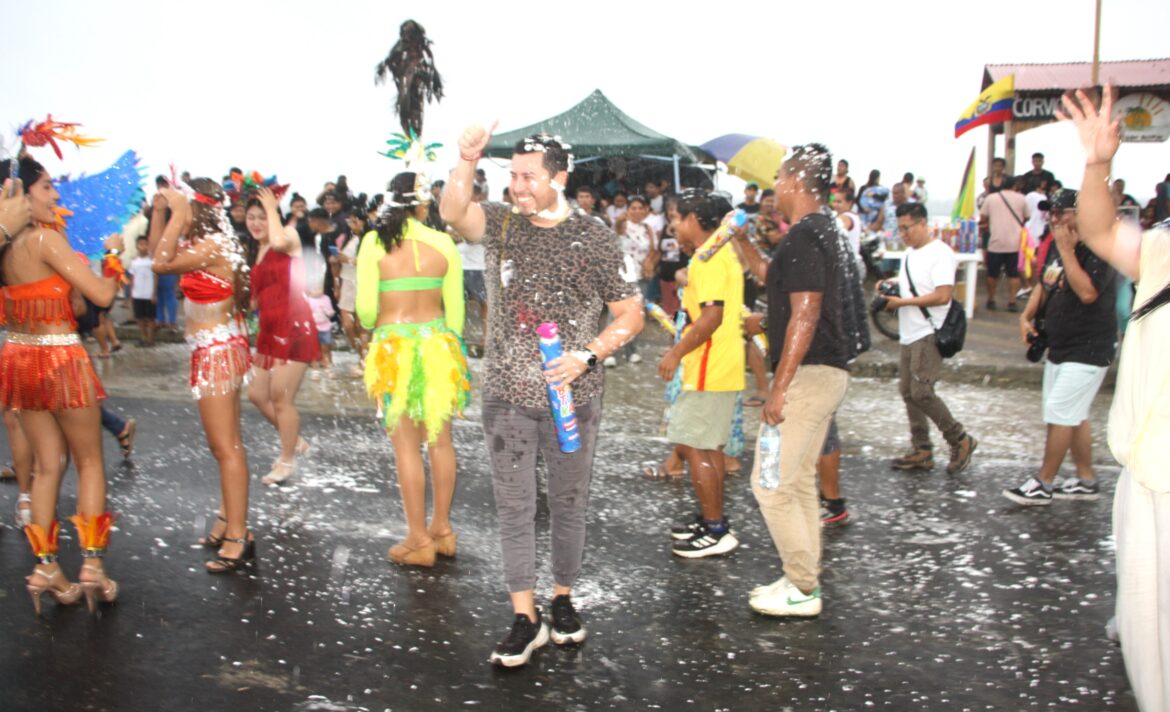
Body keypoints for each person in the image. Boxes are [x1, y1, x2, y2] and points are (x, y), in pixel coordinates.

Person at [441, 127, 644, 667]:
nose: (518, 187)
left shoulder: (594, 237)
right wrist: (466, 160)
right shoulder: (503, 224)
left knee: (568, 502)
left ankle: (562, 597)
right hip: (507, 395)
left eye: (529, 177)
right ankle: (524, 616)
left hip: (573, 399)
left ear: (559, 177)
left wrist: (587, 356)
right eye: (512, 175)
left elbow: (631, 313)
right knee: (514, 507)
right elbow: (453, 210)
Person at [1060, 85, 1170, 712]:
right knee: (1148, 640)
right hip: (1146, 475)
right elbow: (1100, 229)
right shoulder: (1163, 250)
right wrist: (1097, 163)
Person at [732, 144, 857, 618]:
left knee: (770, 484)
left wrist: (777, 387)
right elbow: (775, 281)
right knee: (799, 481)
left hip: (806, 376)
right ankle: (802, 579)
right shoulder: (820, 231)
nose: (774, 188)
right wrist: (742, 241)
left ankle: (803, 588)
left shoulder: (807, 236)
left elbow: (805, 314)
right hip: (825, 373)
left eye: (779, 178)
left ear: (795, 182)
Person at [0, 156, 119, 613]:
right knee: (89, 462)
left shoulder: (8, 251)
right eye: (48, 187)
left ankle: (46, 566)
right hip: (60, 359)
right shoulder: (46, 239)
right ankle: (92, 565)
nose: (56, 196)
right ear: (21, 194)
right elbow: (102, 297)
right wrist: (112, 255)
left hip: (19, 360)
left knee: (47, 467)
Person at [358, 171, 469, 569]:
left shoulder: (374, 243)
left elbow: (367, 313)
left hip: (395, 352)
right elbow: (456, 316)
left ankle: (418, 539)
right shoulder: (444, 243)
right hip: (439, 346)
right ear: (423, 206)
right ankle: (442, 529)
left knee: (406, 447)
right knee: (440, 442)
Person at [150, 182, 255, 573]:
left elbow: (160, 264)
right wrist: (162, 212)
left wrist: (176, 213)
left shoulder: (212, 245)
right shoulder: (210, 242)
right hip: (213, 350)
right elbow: (156, 250)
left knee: (226, 447)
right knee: (226, 446)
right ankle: (230, 519)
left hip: (217, 353)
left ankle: (238, 534)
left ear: (198, 209)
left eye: (183, 206)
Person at [1005, 189, 1117, 506]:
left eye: (1060, 212)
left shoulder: (1099, 248)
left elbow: (1088, 293)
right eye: (1050, 213)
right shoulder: (1057, 244)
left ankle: (1044, 482)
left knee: (1060, 413)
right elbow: (1046, 282)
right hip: (1060, 345)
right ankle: (1086, 478)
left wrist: (1067, 251)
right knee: (1073, 414)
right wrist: (1026, 317)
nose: (1053, 219)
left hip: (1089, 347)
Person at [656, 190, 743, 558]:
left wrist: (676, 352)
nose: (674, 224)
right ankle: (712, 519)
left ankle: (715, 529)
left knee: (697, 449)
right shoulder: (719, 255)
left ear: (695, 220)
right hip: (720, 365)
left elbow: (711, 317)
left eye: (678, 217)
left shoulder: (708, 260)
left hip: (708, 368)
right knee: (709, 448)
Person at [881, 202, 978, 475]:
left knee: (922, 392)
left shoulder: (941, 253)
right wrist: (890, 288)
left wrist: (901, 303)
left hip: (928, 333)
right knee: (907, 392)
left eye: (907, 228)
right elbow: (914, 286)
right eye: (900, 228)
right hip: (908, 333)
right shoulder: (910, 254)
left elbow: (943, 295)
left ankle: (959, 439)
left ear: (924, 224)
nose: (903, 234)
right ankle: (922, 449)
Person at [246, 190, 319, 486]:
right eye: (251, 217)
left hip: (294, 326)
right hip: (268, 328)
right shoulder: (259, 249)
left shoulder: (287, 235)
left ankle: (287, 460)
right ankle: (295, 439)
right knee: (256, 395)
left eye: (262, 216)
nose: (256, 223)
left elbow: (278, 240)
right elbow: (255, 297)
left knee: (280, 397)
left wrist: (271, 208)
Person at [610, 195, 656, 365]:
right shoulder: (622, 225)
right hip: (621, 275)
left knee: (636, 314)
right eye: (633, 208)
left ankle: (632, 351)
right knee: (617, 314)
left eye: (640, 208)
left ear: (645, 211)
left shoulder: (647, 228)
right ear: (628, 210)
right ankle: (611, 353)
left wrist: (650, 263)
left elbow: (653, 249)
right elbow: (617, 230)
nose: (637, 211)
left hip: (640, 277)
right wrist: (620, 221)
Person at [979, 176, 1030, 311]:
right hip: (1014, 242)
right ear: (1014, 186)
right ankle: (1012, 302)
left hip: (995, 242)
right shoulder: (1021, 198)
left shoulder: (991, 198)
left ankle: (991, 300)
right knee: (1013, 274)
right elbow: (1026, 217)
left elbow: (983, 217)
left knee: (992, 274)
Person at [335, 211, 368, 374]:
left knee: (360, 325)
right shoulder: (348, 237)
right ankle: (360, 353)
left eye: (355, 222)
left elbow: (371, 261)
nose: (352, 225)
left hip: (362, 283)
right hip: (347, 282)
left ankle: (364, 358)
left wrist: (348, 260)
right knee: (347, 324)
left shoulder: (370, 239)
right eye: (351, 221)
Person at [128, 235, 157, 346]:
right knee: (139, 318)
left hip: (149, 294)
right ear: (137, 246)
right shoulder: (134, 262)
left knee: (150, 318)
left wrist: (154, 293)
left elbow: (155, 276)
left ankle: (150, 339)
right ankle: (143, 338)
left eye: (146, 244)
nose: (143, 247)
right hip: (137, 293)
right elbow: (132, 278)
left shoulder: (151, 261)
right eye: (141, 244)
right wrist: (131, 293)